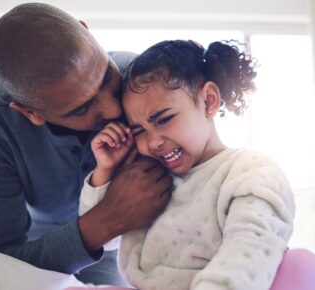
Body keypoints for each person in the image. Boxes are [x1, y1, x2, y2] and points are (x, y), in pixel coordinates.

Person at [77, 39, 315, 290]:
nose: (154, 142)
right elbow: (105, 241)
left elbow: (248, 255)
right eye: (138, 131)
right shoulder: (150, 179)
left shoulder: (251, 172)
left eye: (164, 119)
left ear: (209, 101)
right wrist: (105, 172)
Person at [0, 3, 172, 286]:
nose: (111, 108)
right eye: (81, 109)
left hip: (126, 244)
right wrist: (105, 220)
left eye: (107, 76)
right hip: (38, 241)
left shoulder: (146, 79)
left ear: (87, 30)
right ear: (29, 112)